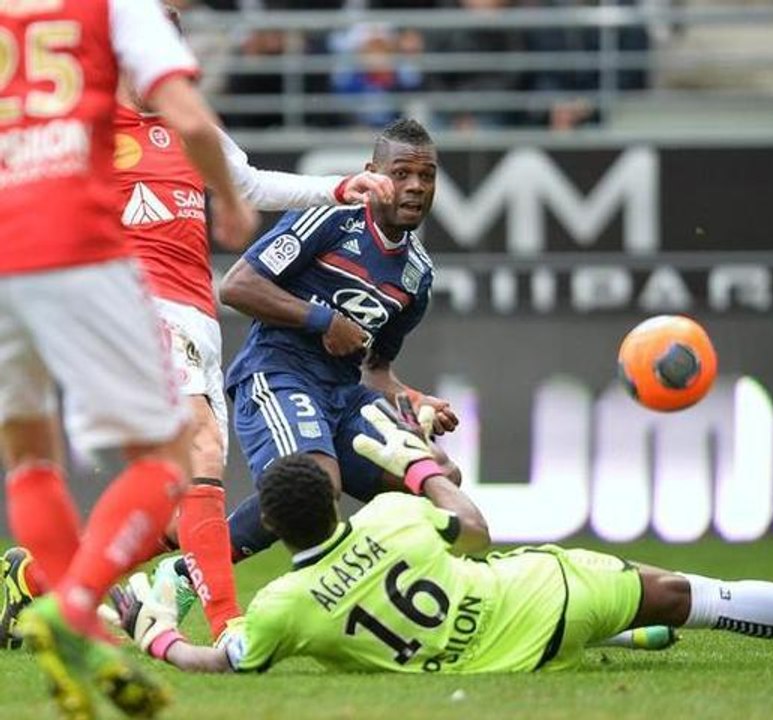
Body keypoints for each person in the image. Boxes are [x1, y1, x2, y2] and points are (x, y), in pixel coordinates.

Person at [111, 400, 773, 675]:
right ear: (333, 506)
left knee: (595, 615)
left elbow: (215, 664)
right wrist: (414, 463)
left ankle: (627, 631)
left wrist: (155, 633)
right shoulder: (394, 518)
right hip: (548, 593)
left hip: (506, 659)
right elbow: (473, 528)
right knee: (701, 598)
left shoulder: (288, 606)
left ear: (275, 529)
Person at [90, 3, 396, 646]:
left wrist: (341, 188)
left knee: (181, 502)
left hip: (197, 317)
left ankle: (43, 584)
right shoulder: (91, 125)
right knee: (201, 447)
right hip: (139, 309)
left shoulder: (190, 126)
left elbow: (251, 183)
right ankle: (229, 624)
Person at [0, 0, 256, 717]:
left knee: (29, 457)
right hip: (76, 243)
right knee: (173, 457)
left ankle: (77, 632)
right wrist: (231, 203)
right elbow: (194, 119)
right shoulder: (116, 10)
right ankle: (77, 605)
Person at [218, 117, 460, 567]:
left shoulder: (418, 274)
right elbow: (236, 287)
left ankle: (391, 597)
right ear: (373, 172)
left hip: (344, 396)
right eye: (400, 173)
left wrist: (412, 396)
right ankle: (187, 572)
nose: (415, 186)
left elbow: (376, 370)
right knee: (315, 484)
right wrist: (324, 320)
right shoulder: (331, 216)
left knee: (438, 479)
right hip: (278, 371)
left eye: (426, 176)